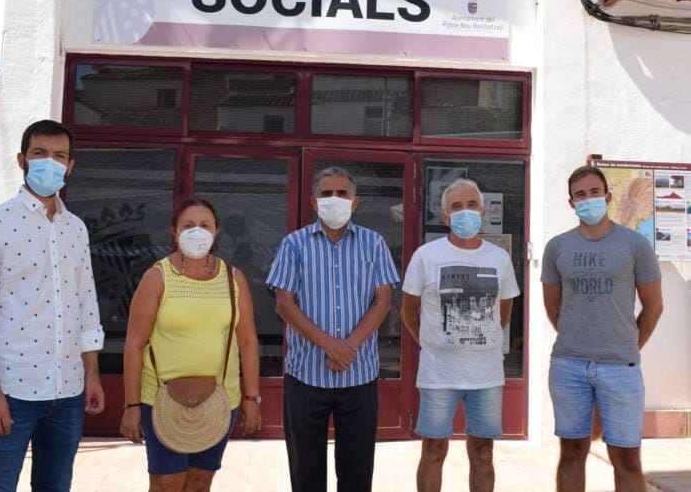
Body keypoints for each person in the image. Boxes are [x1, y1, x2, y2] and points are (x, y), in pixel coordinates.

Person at [0, 119, 105, 492]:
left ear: (70, 166)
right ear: (21, 159)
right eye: (40, 153)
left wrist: (93, 376)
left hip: (67, 391)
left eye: (59, 156)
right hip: (10, 391)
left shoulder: (76, 230)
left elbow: (86, 307)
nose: (49, 163)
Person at [266, 166, 399, 492]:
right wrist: (330, 345)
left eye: (342, 193)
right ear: (314, 201)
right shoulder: (294, 245)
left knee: (357, 472)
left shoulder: (374, 243)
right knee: (305, 471)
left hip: (359, 375)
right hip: (306, 376)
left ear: (355, 202)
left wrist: (347, 346)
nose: (335, 199)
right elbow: (284, 304)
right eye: (327, 193)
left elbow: (382, 301)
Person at [120, 197, 261, 492]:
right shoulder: (157, 277)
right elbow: (134, 344)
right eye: (188, 225)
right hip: (160, 399)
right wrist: (132, 405)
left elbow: (247, 341)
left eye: (204, 225)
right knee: (166, 484)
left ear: (216, 232)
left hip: (220, 399)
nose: (197, 232)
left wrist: (252, 398)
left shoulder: (234, 278)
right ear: (174, 232)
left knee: (200, 482)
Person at [541, 165, 663, 492]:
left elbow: (654, 306)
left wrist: (628, 344)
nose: (588, 199)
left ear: (608, 196)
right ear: (571, 203)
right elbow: (553, 308)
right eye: (580, 195)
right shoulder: (557, 247)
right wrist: (578, 334)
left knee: (626, 458)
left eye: (595, 192)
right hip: (569, 365)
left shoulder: (635, 245)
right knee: (571, 453)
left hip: (621, 367)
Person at [401, 178, 519, 492]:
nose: (464, 212)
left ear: (482, 212)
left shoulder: (499, 258)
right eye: (456, 206)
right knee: (433, 450)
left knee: (483, 453)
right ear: (445, 217)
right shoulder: (426, 256)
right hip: (439, 375)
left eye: (470, 205)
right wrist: (431, 342)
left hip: (487, 375)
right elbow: (408, 311)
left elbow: (503, 312)